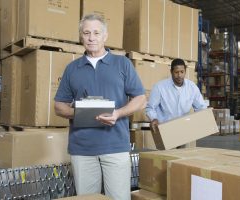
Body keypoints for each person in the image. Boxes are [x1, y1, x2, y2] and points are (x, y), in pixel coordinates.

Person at [54, 14, 146, 200]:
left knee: (119, 197)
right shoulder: (72, 69)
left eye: (96, 33)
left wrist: (118, 113)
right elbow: (59, 106)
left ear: (105, 36)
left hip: (115, 146)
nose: (91, 37)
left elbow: (140, 98)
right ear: (81, 36)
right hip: (82, 149)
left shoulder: (122, 64)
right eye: (86, 33)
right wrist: (81, 113)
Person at [146, 58, 207, 126]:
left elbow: (201, 107)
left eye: (182, 72)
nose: (179, 75)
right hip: (165, 128)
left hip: (185, 127)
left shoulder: (192, 87)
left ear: (185, 71)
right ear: (171, 72)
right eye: (176, 72)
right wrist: (154, 119)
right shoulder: (159, 87)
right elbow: (150, 108)